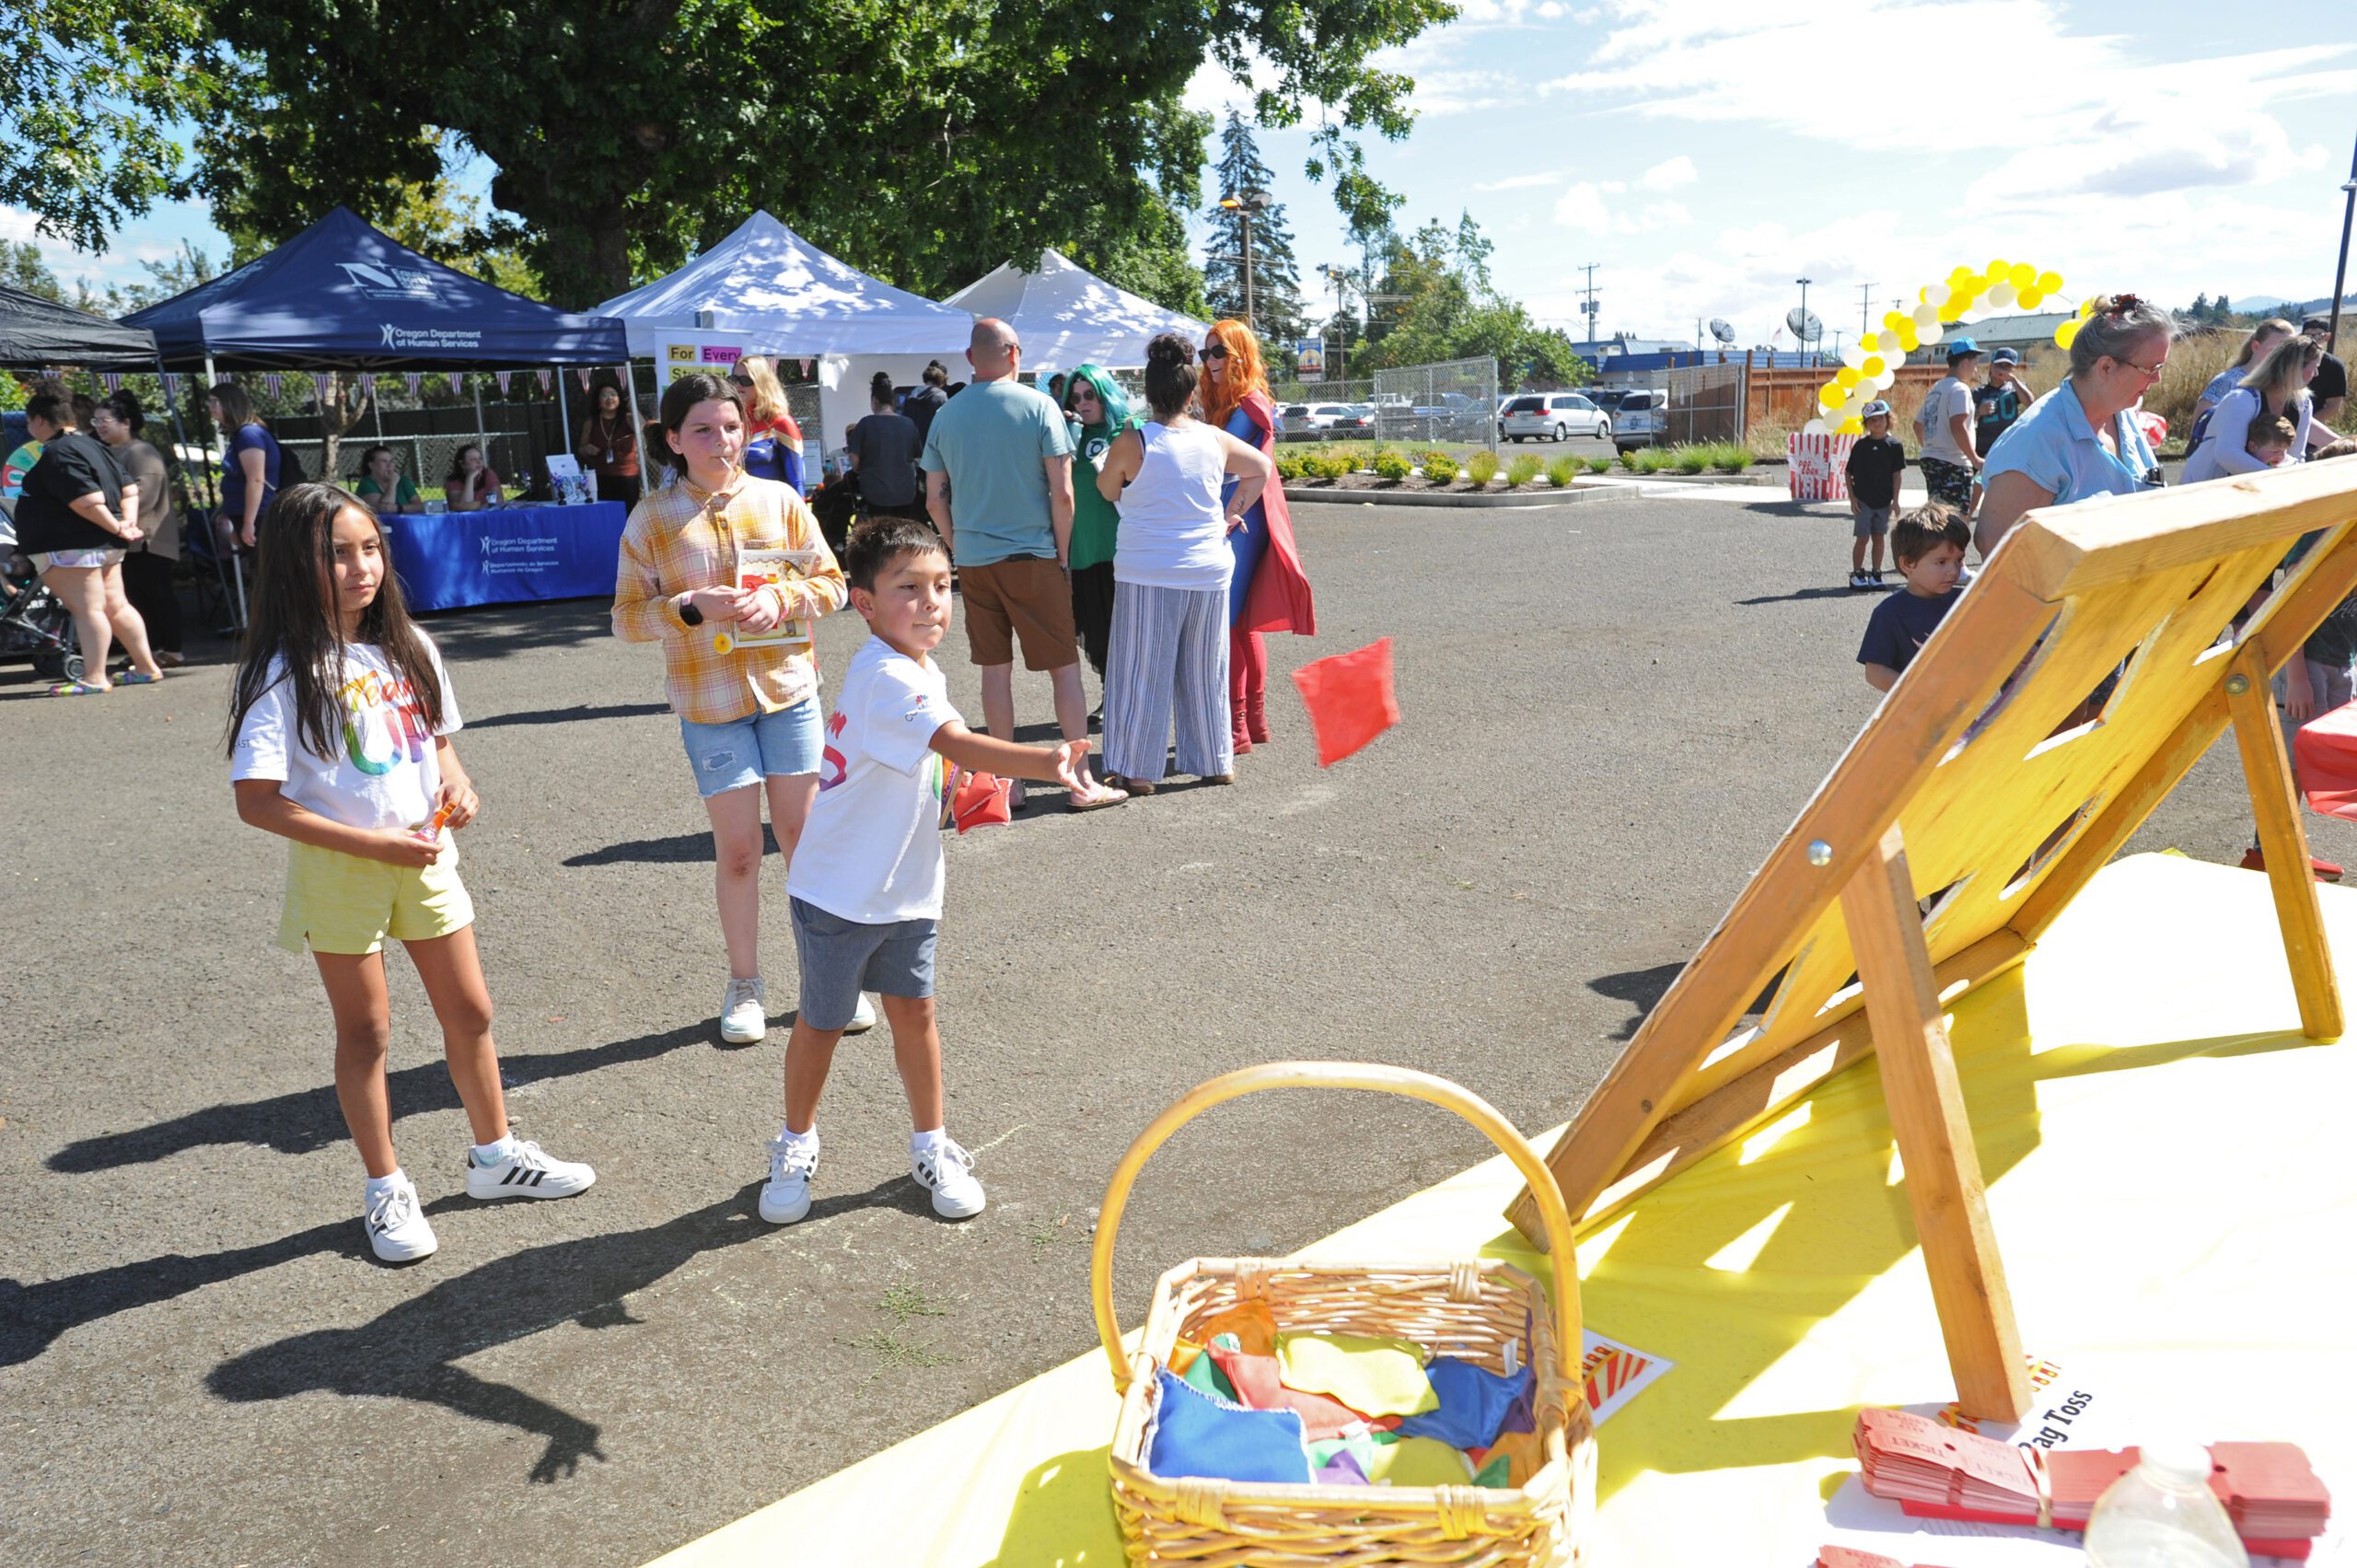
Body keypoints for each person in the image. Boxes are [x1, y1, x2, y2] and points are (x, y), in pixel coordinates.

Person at [226, 482, 596, 1262]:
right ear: (297, 563)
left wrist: (457, 783)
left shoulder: (409, 645)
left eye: (370, 548)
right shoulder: (280, 672)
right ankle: (385, 1184)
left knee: (471, 1011)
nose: (362, 567)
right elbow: (257, 803)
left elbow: (437, 743)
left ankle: (495, 1157)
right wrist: (374, 847)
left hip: (425, 859)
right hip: (342, 875)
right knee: (367, 1032)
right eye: (337, 553)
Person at [762, 517, 1094, 1227]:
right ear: (865, 602)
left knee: (916, 1014)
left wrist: (956, 790)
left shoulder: (918, 666)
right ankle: (795, 1142)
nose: (931, 602)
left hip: (906, 886)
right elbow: (951, 739)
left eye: (943, 586)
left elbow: (933, 758)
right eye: (908, 588)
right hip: (838, 890)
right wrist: (1045, 761)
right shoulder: (884, 675)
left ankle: (931, 1144)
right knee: (820, 1025)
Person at [612, 372, 865, 1044]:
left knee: (805, 841)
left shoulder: (781, 499)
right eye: (702, 429)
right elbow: (625, 619)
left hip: (789, 692)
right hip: (711, 704)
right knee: (741, 851)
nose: (721, 440)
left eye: (730, 425)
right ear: (673, 439)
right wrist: (691, 607)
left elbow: (833, 584)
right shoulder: (652, 517)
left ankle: (830, 980)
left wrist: (782, 600)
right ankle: (745, 983)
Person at [920, 317, 1125, 810]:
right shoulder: (1039, 407)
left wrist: (958, 547)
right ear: (1016, 354)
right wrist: (1061, 550)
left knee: (995, 672)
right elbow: (1064, 491)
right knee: (1064, 670)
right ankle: (1080, 780)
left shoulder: (945, 416)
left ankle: (1006, 785)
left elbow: (933, 499)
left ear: (971, 360)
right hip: (1034, 556)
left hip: (976, 562)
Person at [1093, 333, 1273, 793]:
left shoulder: (1133, 442)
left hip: (1148, 570)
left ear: (1148, 394)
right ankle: (1215, 758)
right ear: (1191, 392)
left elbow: (1108, 491)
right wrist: (1234, 512)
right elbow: (1262, 469)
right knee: (1204, 666)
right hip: (1208, 568)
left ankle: (1138, 768)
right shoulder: (1214, 438)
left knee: (1142, 670)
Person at [1975, 295, 2174, 559]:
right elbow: (1996, 547)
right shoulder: (2035, 441)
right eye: (2151, 367)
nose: (2158, 378)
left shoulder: (2122, 415)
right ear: (2106, 367)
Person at [1199, 319, 1316, 754]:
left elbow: (1220, 458)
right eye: (1204, 353)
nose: (1208, 362)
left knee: (1228, 623)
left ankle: (1236, 728)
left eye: (1217, 353)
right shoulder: (1235, 403)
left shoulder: (1249, 403)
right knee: (1242, 625)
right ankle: (1253, 723)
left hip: (1243, 518)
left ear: (1239, 355)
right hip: (1242, 516)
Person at [14, 385, 165, 695]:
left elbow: (87, 499)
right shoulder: (94, 446)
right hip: (102, 545)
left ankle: (95, 677)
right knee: (116, 606)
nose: (29, 428)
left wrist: (119, 526)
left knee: (89, 610)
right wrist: (125, 523)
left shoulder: (59, 452)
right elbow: (129, 489)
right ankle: (147, 667)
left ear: (40, 420)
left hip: (74, 546)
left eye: (29, 422)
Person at [91, 391, 184, 668]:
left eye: (105, 420)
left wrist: (103, 511)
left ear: (126, 422)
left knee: (158, 596)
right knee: (136, 599)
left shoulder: (142, 452)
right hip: (124, 539)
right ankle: (148, 650)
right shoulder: (108, 451)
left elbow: (144, 495)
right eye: (95, 420)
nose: (99, 425)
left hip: (149, 539)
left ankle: (173, 650)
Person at [1062, 363, 1139, 682]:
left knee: (1127, 631)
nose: (1083, 403)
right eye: (1076, 398)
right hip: (1083, 551)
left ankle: (1129, 695)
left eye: (1089, 395)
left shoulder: (1129, 429)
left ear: (1105, 394)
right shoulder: (1069, 436)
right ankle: (1113, 693)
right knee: (1098, 631)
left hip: (1123, 549)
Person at [2181, 333, 2320, 485]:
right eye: (2315, 367)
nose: (2316, 374)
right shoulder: (2242, 399)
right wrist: (2275, 479)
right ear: (2294, 367)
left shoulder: (2303, 405)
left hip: (2255, 489)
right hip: (2209, 486)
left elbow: (2296, 455)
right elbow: (2227, 454)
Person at [1857, 506, 1969, 692]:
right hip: (1915, 717)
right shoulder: (1890, 612)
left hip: (1962, 713)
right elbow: (1875, 671)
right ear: (1907, 563)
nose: (1953, 570)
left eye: (1959, 560)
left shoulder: (1965, 601)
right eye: (1941, 562)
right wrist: (1917, 694)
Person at [209, 381, 283, 551]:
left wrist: (249, 523)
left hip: (259, 518)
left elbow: (256, 480)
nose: (211, 407)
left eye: (215, 402)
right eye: (209, 402)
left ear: (230, 404)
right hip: (247, 516)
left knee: (263, 569)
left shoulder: (248, 434)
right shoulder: (242, 435)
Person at [1914, 339, 1984, 516]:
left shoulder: (1936, 388)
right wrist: (1974, 458)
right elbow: (1957, 425)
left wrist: (1931, 446)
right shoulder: (1960, 389)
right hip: (1954, 463)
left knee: (1937, 515)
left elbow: (1917, 425)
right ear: (1965, 362)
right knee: (1954, 519)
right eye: (1975, 364)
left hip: (1931, 460)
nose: (1976, 369)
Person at [1844, 398, 1907, 590]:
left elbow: (1897, 475)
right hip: (1863, 501)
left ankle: (1876, 572)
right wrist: (1852, 498)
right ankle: (1857, 573)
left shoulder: (1894, 446)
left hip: (1883, 501)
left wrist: (1895, 501)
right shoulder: (1860, 446)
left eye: (1880, 418)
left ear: (1888, 419)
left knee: (1879, 536)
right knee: (1862, 537)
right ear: (1866, 423)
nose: (1877, 423)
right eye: (1872, 420)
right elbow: (1848, 472)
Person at [849, 370, 925, 521]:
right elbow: (918, 457)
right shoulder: (908, 424)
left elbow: (854, 460)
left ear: (874, 400)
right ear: (892, 401)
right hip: (905, 493)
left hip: (875, 493)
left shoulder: (866, 424)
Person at [2195, 318, 2295, 425]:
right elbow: (2200, 428)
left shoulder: (2286, 387)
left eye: (2289, 352)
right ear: (2256, 346)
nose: (2282, 357)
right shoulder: (2226, 382)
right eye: (2275, 350)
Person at [734, 354, 806, 494]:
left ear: (761, 383)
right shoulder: (729, 423)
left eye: (745, 380)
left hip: (772, 505)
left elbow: (797, 481)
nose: (738, 385)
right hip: (735, 507)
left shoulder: (781, 422)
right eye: (734, 379)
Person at [575, 379, 643, 508]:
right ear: (598, 402)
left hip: (627, 477)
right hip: (600, 476)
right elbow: (581, 449)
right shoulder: (590, 423)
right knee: (606, 514)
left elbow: (643, 428)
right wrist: (587, 449)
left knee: (628, 515)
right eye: (605, 395)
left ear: (619, 398)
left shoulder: (628, 418)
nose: (609, 398)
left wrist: (633, 408)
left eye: (613, 394)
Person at [1973, 348, 2032, 457]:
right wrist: (1979, 412)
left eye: (2007, 367)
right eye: (1999, 365)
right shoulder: (1978, 392)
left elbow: (2030, 403)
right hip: (1984, 448)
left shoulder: (2016, 389)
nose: (2002, 370)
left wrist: (2013, 380)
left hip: (2009, 446)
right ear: (1991, 366)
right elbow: (1968, 420)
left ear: (2013, 369)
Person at [2303, 314, 2347, 441]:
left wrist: (2304, 424)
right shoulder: (2290, 360)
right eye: (2309, 335)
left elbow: (2333, 407)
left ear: (2327, 337)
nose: (2314, 339)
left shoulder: (2335, 366)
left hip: (2313, 427)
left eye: (2319, 335)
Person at [354, 444, 424, 514]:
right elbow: (384, 510)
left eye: (391, 461)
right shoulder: (366, 483)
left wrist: (399, 508)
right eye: (384, 461)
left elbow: (420, 506)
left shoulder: (403, 480)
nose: (389, 465)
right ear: (371, 465)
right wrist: (392, 484)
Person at [903, 362, 949, 450]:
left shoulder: (910, 396)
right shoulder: (942, 397)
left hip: (914, 450)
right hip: (934, 451)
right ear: (941, 381)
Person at [443, 444, 504, 511]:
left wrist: (480, 508)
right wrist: (470, 478)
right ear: (462, 464)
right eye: (473, 459)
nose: (479, 462)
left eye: (480, 458)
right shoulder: (453, 481)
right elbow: (464, 507)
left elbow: (498, 500)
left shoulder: (488, 474)